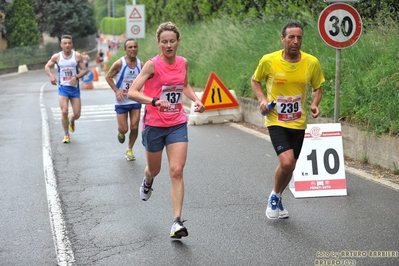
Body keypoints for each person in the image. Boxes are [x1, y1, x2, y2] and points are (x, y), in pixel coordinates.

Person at [127, 22, 205, 238]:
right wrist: (153, 101)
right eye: (164, 42)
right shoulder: (152, 65)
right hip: (154, 125)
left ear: (178, 42)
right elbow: (133, 92)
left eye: (172, 41)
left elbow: (184, 85)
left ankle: (176, 223)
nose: (168, 45)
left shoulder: (183, 62)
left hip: (177, 123)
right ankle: (147, 180)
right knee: (155, 170)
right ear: (158, 43)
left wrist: (196, 99)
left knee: (177, 171)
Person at [250, 20, 324, 220]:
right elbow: (255, 80)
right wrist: (262, 99)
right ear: (282, 39)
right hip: (276, 119)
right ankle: (274, 196)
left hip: (298, 121)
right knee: (286, 161)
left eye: (299, 37)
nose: (295, 41)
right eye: (291, 37)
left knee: (291, 165)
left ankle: (279, 196)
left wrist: (315, 104)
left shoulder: (311, 62)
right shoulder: (269, 60)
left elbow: (318, 87)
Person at [45, 34, 87, 143]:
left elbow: (84, 69)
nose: (67, 45)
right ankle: (66, 134)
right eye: (65, 43)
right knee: (64, 110)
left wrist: (77, 77)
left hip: (74, 89)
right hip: (63, 88)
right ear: (61, 45)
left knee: (77, 114)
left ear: (72, 44)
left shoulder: (77, 56)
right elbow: (47, 66)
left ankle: (71, 118)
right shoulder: (57, 57)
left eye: (69, 43)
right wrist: (51, 76)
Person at [105, 38, 143, 161]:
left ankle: (130, 149)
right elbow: (108, 77)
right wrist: (116, 90)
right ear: (125, 49)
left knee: (135, 127)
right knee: (124, 128)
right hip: (121, 101)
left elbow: (146, 79)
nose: (133, 49)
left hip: (134, 100)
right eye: (130, 47)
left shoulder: (141, 64)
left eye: (135, 47)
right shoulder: (119, 63)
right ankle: (120, 132)